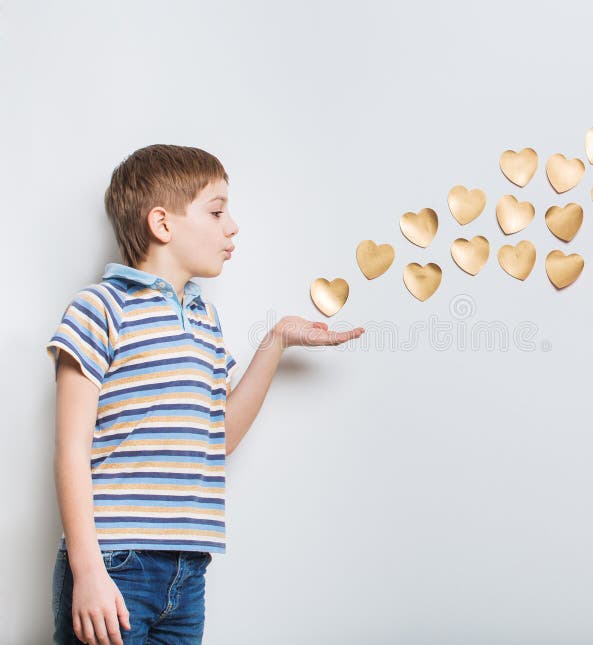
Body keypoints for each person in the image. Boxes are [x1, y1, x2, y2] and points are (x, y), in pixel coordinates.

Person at [46, 144, 364, 644]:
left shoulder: (204, 321)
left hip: (188, 570)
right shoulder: (99, 308)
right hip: (114, 562)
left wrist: (276, 340)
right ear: (162, 224)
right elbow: (70, 447)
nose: (232, 225)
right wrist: (87, 571)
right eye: (217, 211)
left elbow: (221, 436)